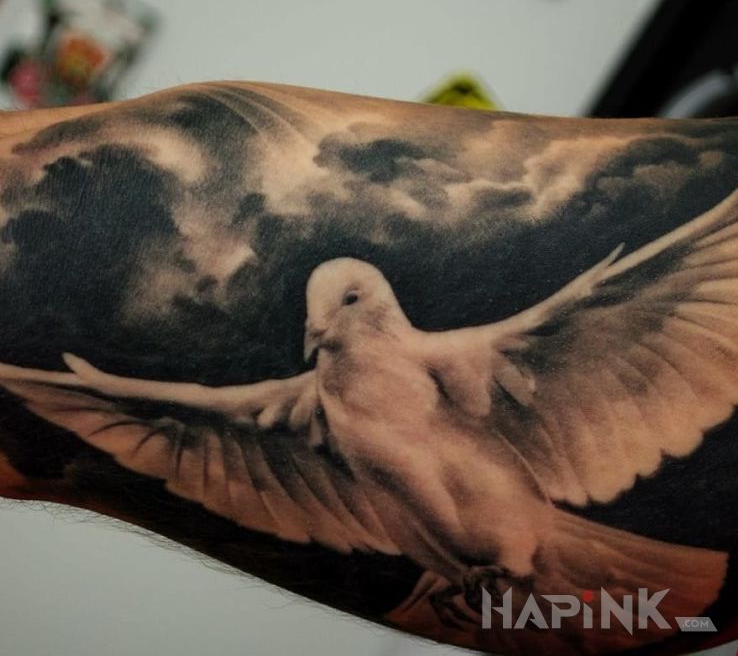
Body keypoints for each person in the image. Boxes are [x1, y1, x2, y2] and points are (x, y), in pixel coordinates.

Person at [0, 81, 737, 656]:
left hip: (557, 550)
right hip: (457, 574)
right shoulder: (295, 412)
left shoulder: (474, 365)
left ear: (374, 302)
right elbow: (123, 412)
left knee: (626, 293)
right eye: (317, 316)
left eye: (343, 306)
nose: (321, 328)